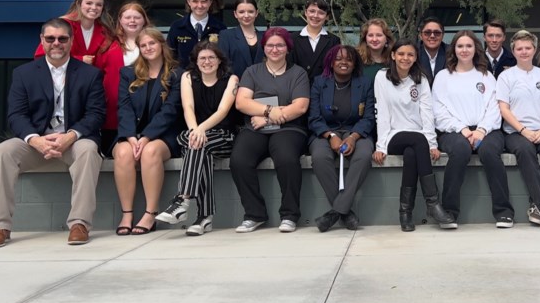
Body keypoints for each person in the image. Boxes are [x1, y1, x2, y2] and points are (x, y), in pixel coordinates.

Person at [0, 19, 105, 248]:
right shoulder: (24, 73)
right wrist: (35, 139)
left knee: (89, 150)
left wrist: (70, 136)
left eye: (62, 39)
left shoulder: (90, 74)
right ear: (42, 41)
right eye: (50, 39)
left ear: (71, 41)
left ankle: (80, 223)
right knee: (4, 151)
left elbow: (96, 114)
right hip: (36, 141)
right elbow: (16, 115)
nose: (56, 43)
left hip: (73, 140)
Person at [230, 27, 310, 233]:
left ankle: (290, 215)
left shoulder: (298, 73)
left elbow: (300, 106)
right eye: (270, 45)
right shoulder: (252, 71)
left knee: (286, 158)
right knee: (239, 160)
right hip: (254, 128)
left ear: (287, 48)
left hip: (288, 128)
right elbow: (241, 102)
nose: (275, 49)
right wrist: (269, 110)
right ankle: (254, 214)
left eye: (280, 45)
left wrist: (266, 117)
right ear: (264, 48)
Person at [156, 41, 239, 236]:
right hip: (197, 136)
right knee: (199, 149)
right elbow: (188, 108)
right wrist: (195, 130)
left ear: (219, 61)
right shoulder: (188, 77)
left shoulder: (231, 79)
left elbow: (223, 111)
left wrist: (200, 129)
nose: (207, 61)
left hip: (224, 135)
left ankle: (183, 201)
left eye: (211, 58)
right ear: (196, 61)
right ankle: (203, 219)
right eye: (202, 58)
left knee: (194, 145)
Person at [372, 40, 455, 232]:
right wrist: (381, 146)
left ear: (416, 57)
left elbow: (427, 114)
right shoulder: (381, 77)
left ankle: (405, 212)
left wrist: (432, 144)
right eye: (401, 54)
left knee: (412, 153)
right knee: (418, 141)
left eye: (410, 54)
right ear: (393, 55)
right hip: (394, 136)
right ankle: (433, 203)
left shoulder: (421, 79)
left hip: (418, 139)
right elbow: (382, 113)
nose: (405, 58)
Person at [432, 30, 509, 228]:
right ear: (453, 49)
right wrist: (463, 130)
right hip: (453, 132)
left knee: (490, 152)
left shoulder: (486, 76)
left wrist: (481, 130)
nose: (464, 50)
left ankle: (503, 211)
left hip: (487, 130)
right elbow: (439, 111)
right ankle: (449, 212)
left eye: (468, 46)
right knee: (460, 150)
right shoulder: (443, 77)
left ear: (476, 49)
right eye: (460, 46)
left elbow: (495, 107)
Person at [113, 27, 183, 235]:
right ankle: (127, 213)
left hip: (164, 134)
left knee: (150, 151)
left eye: (152, 43)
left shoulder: (176, 74)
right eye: (143, 45)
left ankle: (150, 213)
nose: (148, 48)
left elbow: (171, 110)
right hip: (132, 133)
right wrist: (131, 136)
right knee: (124, 152)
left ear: (161, 45)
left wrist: (146, 137)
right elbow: (124, 107)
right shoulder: (128, 73)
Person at [35, 0, 118, 154]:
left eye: (98, 4)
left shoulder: (105, 31)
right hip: (64, 86)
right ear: (79, 4)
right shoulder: (63, 25)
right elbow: (40, 55)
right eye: (89, 3)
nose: (93, 8)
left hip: (92, 88)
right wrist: (80, 60)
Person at [496, 30, 540, 228]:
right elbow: (503, 109)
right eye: (519, 48)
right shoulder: (506, 77)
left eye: (528, 48)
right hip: (516, 132)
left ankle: (535, 206)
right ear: (513, 51)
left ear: (534, 50)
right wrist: (523, 130)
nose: (524, 52)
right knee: (525, 151)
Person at [308, 45, 376, 232]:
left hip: (356, 130)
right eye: (338, 58)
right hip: (325, 131)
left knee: (363, 155)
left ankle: (335, 212)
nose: (343, 62)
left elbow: (369, 117)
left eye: (348, 59)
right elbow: (314, 117)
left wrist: (353, 137)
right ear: (331, 61)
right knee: (320, 158)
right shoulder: (319, 82)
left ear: (355, 64)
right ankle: (345, 212)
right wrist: (330, 136)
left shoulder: (365, 83)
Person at [96, 2, 152, 156]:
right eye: (127, 17)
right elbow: (98, 74)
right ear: (120, 20)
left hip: (145, 108)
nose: (132, 21)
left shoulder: (152, 45)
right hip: (114, 109)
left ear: (144, 20)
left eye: (137, 17)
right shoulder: (108, 46)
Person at [167, 0, 226, 69]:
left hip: (212, 79)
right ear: (188, 2)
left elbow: (224, 57)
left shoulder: (220, 28)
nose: (199, 5)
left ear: (210, 2)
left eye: (204, 1)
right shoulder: (177, 27)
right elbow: (169, 57)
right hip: (183, 79)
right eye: (195, 1)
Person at [289, 0, 340, 83]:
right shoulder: (292, 38)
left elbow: (334, 69)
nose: (315, 16)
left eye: (321, 13)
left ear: (327, 16)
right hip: (297, 88)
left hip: (324, 88)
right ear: (305, 12)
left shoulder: (334, 41)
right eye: (312, 11)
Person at [218, 0, 265, 79]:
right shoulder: (226, 35)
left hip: (262, 88)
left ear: (256, 13)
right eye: (241, 12)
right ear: (235, 14)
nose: (246, 15)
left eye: (250, 11)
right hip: (235, 87)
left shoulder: (265, 37)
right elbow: (223, 65)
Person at [356, 17, 394, 86]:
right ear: (365, 39)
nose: (374, 39)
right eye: (370, 35)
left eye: (379, 35)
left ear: (386, 39)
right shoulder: (356, 60)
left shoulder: (394, 61)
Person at [417, 15, 448, 86]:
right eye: (427, 33)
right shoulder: (413, 53)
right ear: (420, 36)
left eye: (437, 33)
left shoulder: (452, 53)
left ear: (443, 35)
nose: (432, 36)